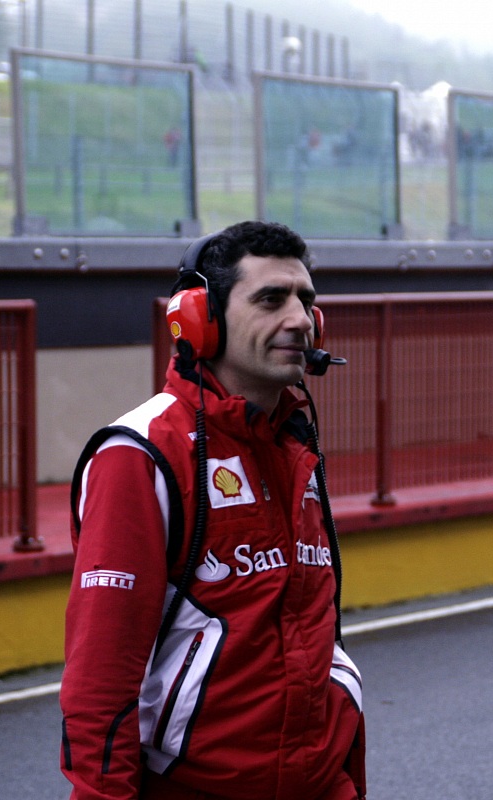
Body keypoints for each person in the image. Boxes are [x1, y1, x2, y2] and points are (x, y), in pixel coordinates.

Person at [61, 220, 365, 800]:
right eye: (271, 299)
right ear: (201, 320)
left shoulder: (295, 443)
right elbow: (102, 673)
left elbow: (314, 633)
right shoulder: (141, 454)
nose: (301, 320)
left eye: (307, 300)